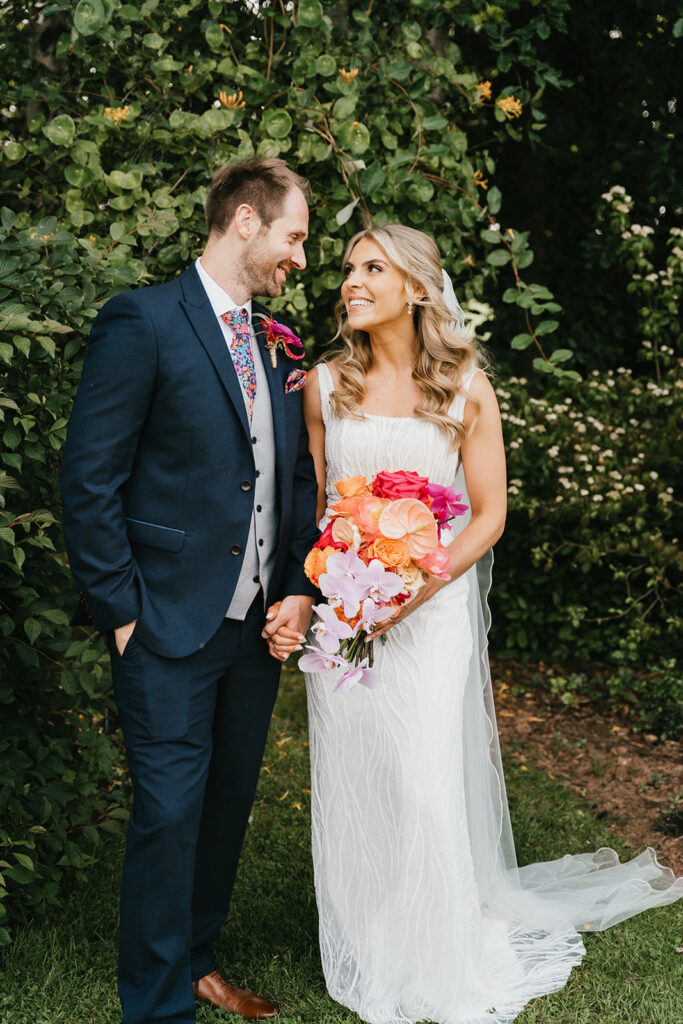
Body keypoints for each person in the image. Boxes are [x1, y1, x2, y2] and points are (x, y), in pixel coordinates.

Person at [268, 224, 682, 1024]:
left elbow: (488, 516)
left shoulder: (466, 389)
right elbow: (312, 509)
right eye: (348, 268)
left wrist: (411, 589)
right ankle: (371, 941)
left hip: (431, 613)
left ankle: (437, 948)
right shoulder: (323, 384)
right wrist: (334, 590)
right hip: (348, 614)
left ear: (417, 289)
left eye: (371, 268)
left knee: (422, 782)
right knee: (360, 779)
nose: (349, 280)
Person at [60, 157, 320, 1024]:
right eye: (293, 237)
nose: (300, 259)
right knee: (168, 815)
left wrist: (294, 588)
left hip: (252, 628)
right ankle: (159, 1003)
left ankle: (200, 957)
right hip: (164, 620)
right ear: (244, 221)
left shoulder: (275, 341)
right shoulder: (143, 320)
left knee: (225, 805)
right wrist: (122, 611)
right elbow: (89, 479)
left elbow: (291, 484)